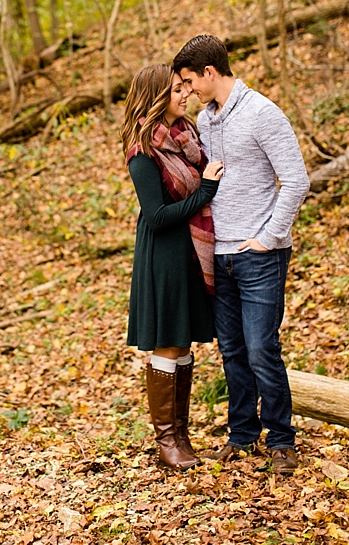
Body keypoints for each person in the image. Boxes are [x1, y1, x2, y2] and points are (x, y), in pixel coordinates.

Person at [173, 35, 310, 474]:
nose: (189, 89)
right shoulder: (205, 120)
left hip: (258, 255)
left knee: (261, 349)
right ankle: (243, 435)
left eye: (191, 81)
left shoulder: (262, 113)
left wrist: (269, 237)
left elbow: (297, 180)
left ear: (210, 73)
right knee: (231, 350)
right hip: (219, 256)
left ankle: (282, 441)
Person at [122, 63, 224, 470]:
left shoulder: (188, 136)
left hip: (190, 250)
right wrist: (207, 190)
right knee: (168, 340)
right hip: (164, 252)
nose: (185, 94)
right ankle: (166, 442)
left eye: (185, 87)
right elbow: (158, 215)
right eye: (176, 90)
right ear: (155, 97)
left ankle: (181, 435)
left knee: (182, 341)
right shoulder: (143, 151)